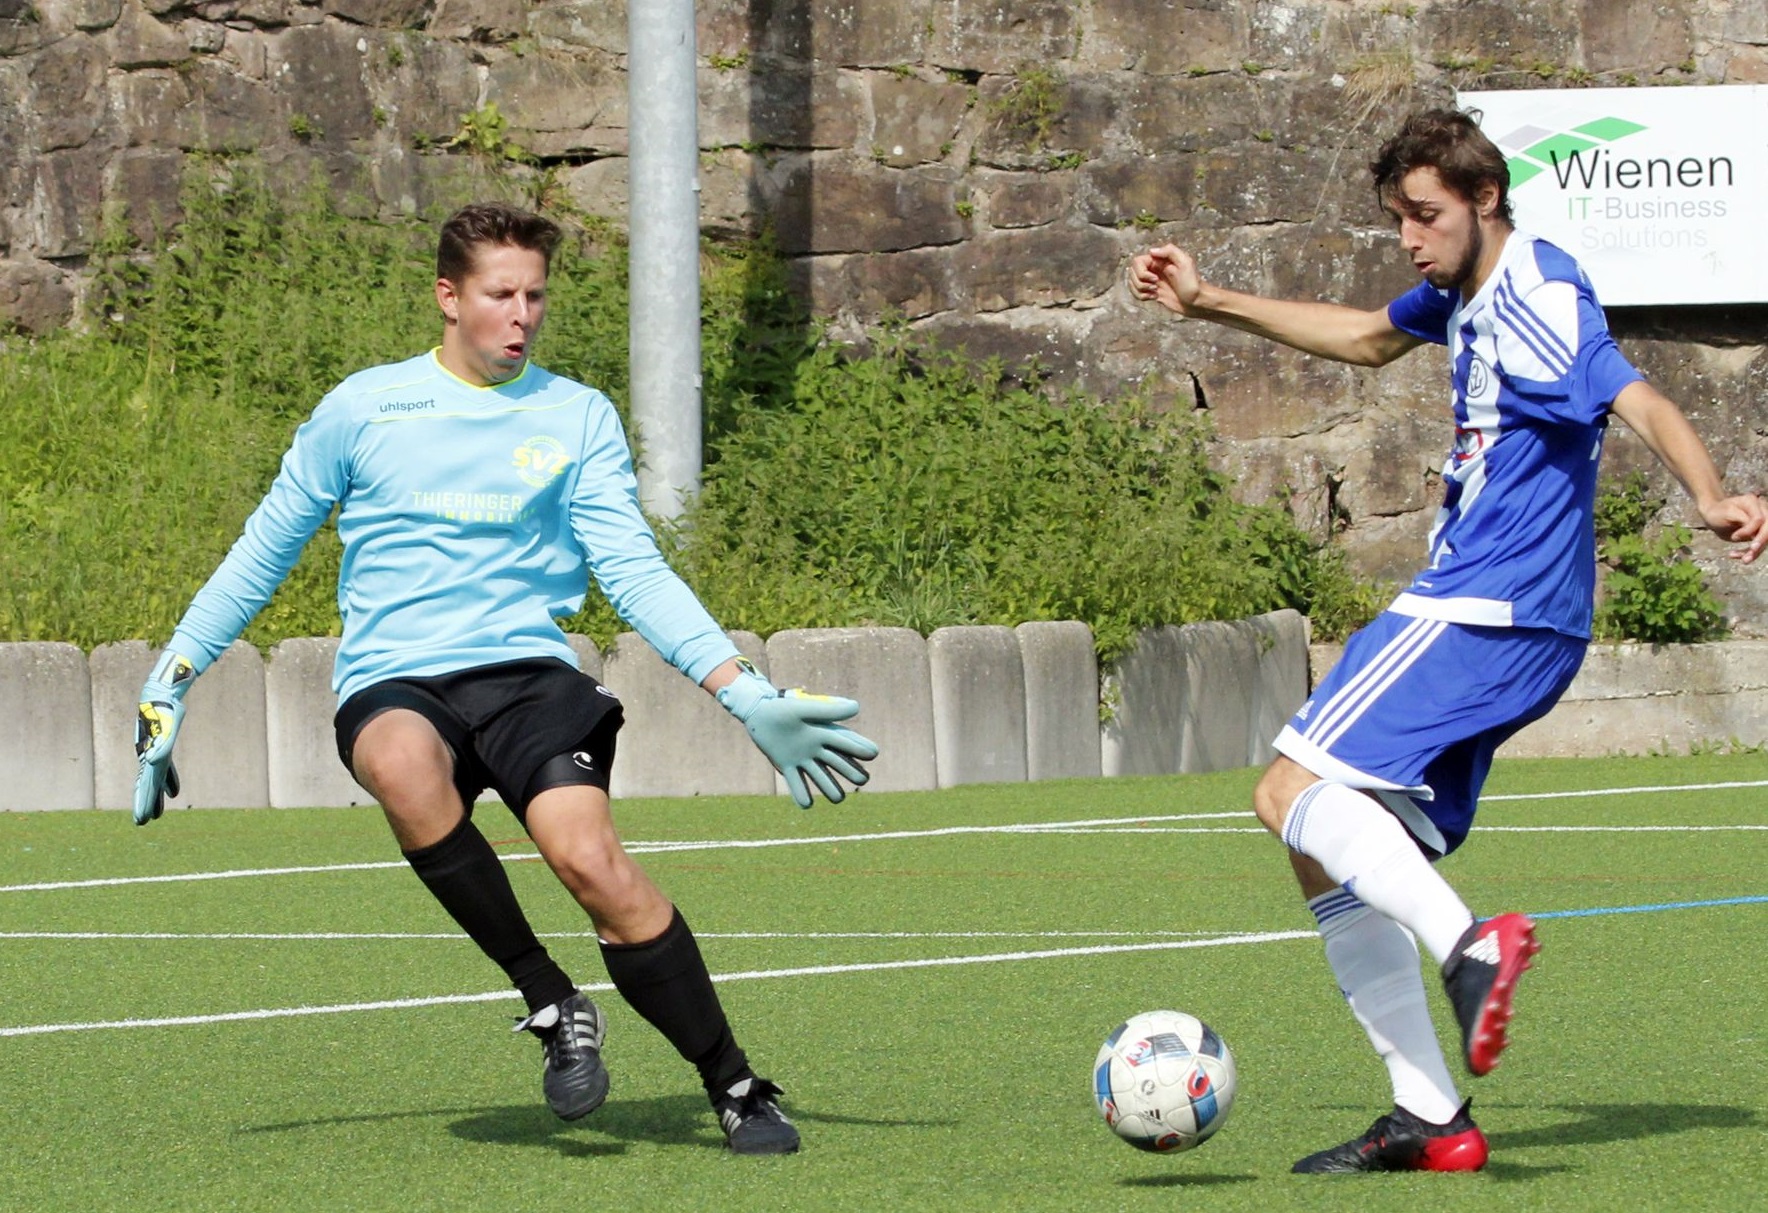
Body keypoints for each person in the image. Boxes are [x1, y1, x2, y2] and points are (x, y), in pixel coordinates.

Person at [130, 201, 879, 1156]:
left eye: (535, 295)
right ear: (449, 297)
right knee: (401, 763)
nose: (522, 314)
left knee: (590, 864)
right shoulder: (362, 408)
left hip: (528, 679)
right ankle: (549, 998)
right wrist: (173, 677)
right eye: (500, 295)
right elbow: (261, 554)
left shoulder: (576, 417)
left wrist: (744, 691)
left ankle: (733, 1082)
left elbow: (636, 571)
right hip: (397, 677)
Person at [1129, 107, 1766, 1173]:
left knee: (1285, 791)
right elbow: (1369, 339)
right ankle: (1430, 1114)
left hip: (1486, 599)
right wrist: (1208, 302)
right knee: (1318, 842)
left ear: (1484, 200)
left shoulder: (1540, 292)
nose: (1412, 238)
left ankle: (1468, 943)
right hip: (1508, 614)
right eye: (1398, 220)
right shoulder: (1459, 292)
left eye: (1427, 216)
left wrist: (1710, 496)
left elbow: (1633, 393)